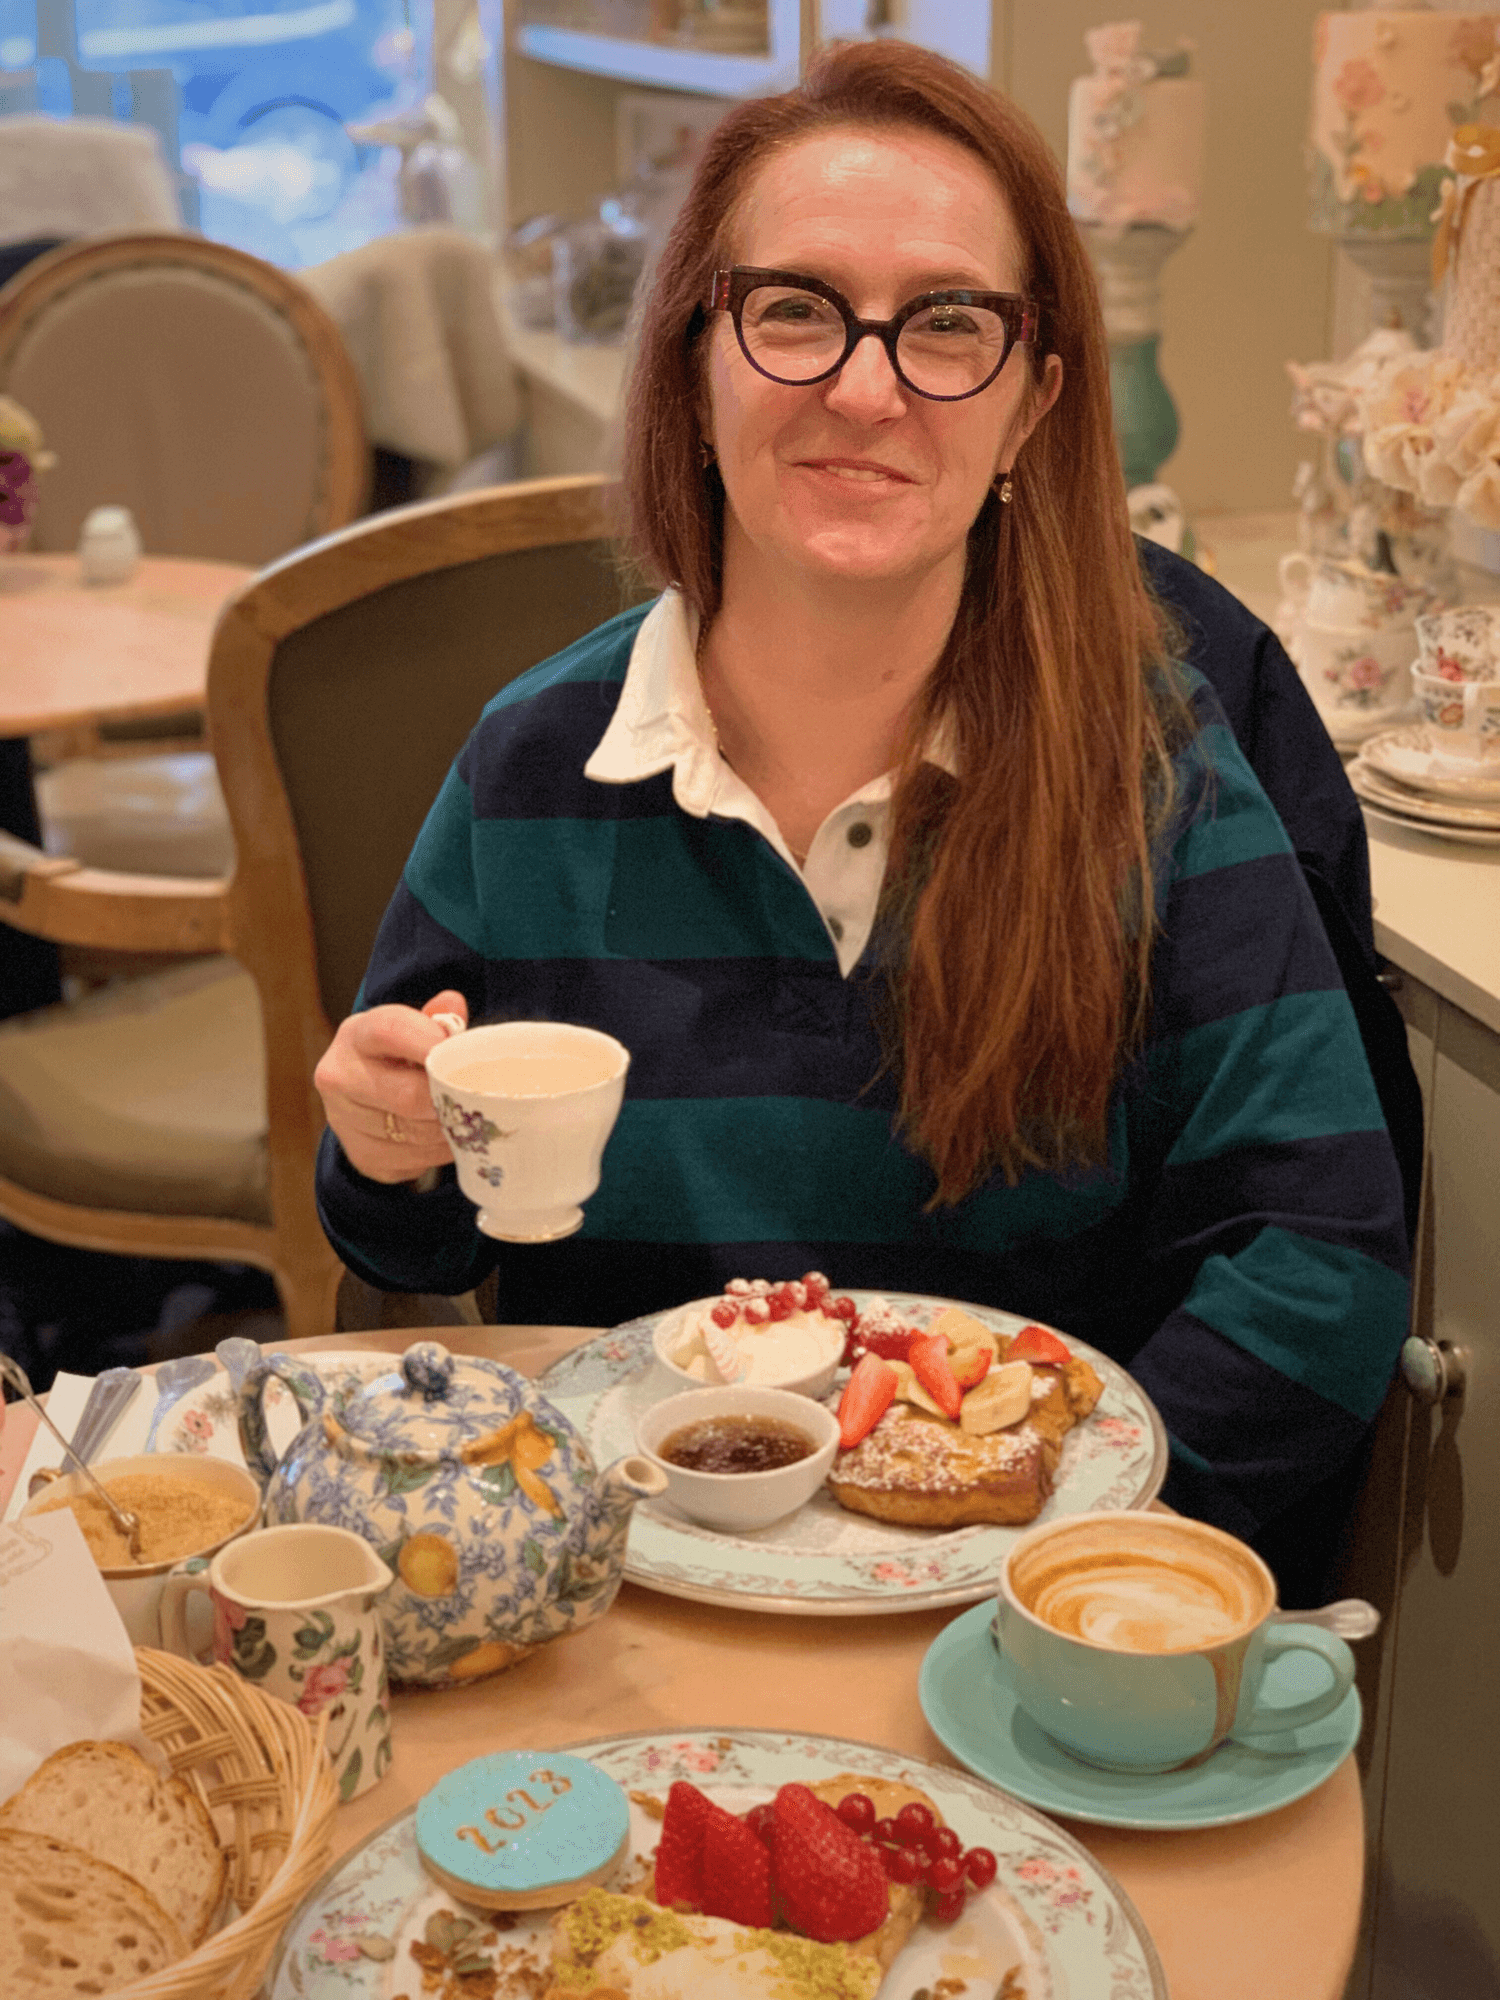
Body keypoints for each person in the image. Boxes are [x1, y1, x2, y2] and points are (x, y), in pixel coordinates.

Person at [313, 41, 1408, 1558]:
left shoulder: (1151, 764)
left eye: (947, 324)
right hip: (637, 1594)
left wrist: (1059, 1556)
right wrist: (382, 1145)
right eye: (795, 313)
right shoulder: (536, 763)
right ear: (695, 368)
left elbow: (1324, 1258)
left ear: (1032, 403)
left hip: (1018, 1620)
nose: (866, 386)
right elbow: (403, 1235)